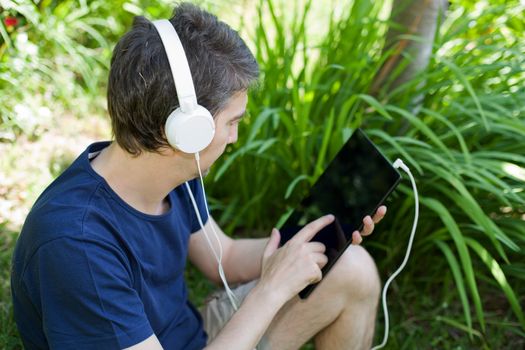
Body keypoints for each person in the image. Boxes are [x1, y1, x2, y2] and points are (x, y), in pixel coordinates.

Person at [11, 3, 385, 349]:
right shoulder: (76, 244)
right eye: (232, 122)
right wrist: (272, 289)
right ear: (186, 130)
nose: (235, 137)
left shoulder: (172, 170)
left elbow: (229, 257)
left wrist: (315, 241)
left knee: (353, 269)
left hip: (203, 338)